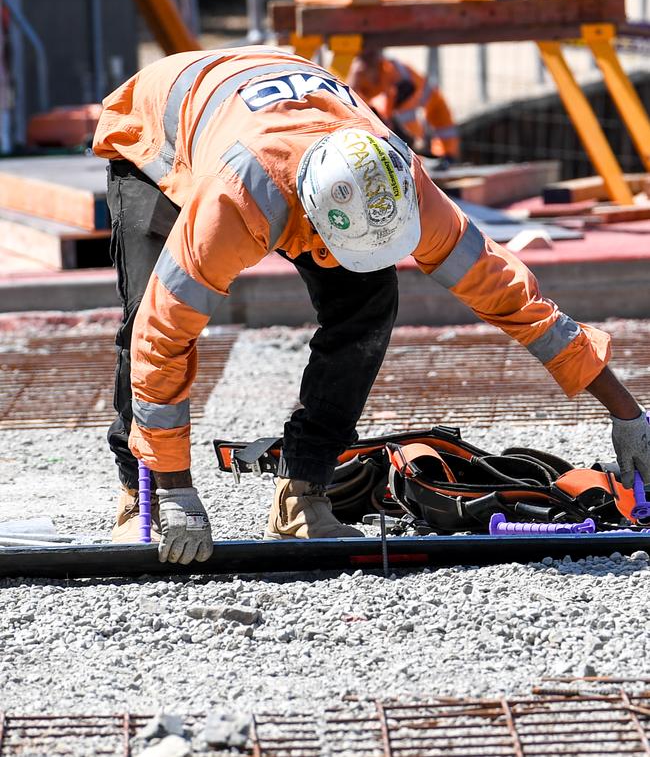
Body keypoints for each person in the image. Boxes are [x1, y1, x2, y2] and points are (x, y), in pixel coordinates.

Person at [93, 46, 650, 565]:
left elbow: (511, 296)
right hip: (161, 124)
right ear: (310, 218)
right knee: (147, 311)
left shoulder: (399, 182)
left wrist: (627, 414)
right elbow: (163, 337)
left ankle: (302, 491)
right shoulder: (239, 201)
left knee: (368, 306)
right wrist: (176, 486)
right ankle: (137, 495)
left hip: (276, 109)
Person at [347, 47, 459, 164]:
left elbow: (438, 108)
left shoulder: (402, 76)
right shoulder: (354, 82)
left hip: (412, 155)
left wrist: (445, 153)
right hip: (381, 154)